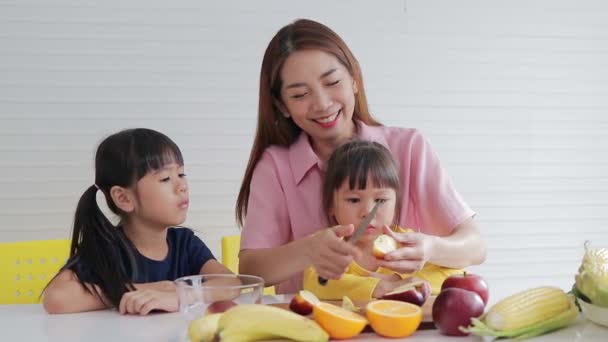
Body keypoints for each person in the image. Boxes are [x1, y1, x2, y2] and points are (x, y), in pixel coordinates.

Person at [236, 18, 486, 295]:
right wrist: (309, 249)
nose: (322, 103)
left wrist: (431, 248)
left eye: (332, 82)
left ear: (354, 79)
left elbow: (475, 246)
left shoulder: (409, 147)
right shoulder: (275, 166)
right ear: (282, 106)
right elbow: (250, 272)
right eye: (300, 94)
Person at [43, 128, 232, 315]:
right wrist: (140, 290)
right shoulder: (106, 249)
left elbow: (231, 283)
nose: (181, 186)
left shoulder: (185, 243)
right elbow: (57, 298)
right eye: (165, 178)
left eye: (181, 174)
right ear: (124, 198)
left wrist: (179, 296)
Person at [303, 140, 464, 300]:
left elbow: (456, 275)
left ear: (396, 203)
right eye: (353, 200)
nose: (368, 213)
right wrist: (380, 287)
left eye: (380, 201)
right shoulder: (329, 244)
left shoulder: (406, 243)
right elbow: (315, 284)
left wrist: (401, 282)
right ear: (331, 205)